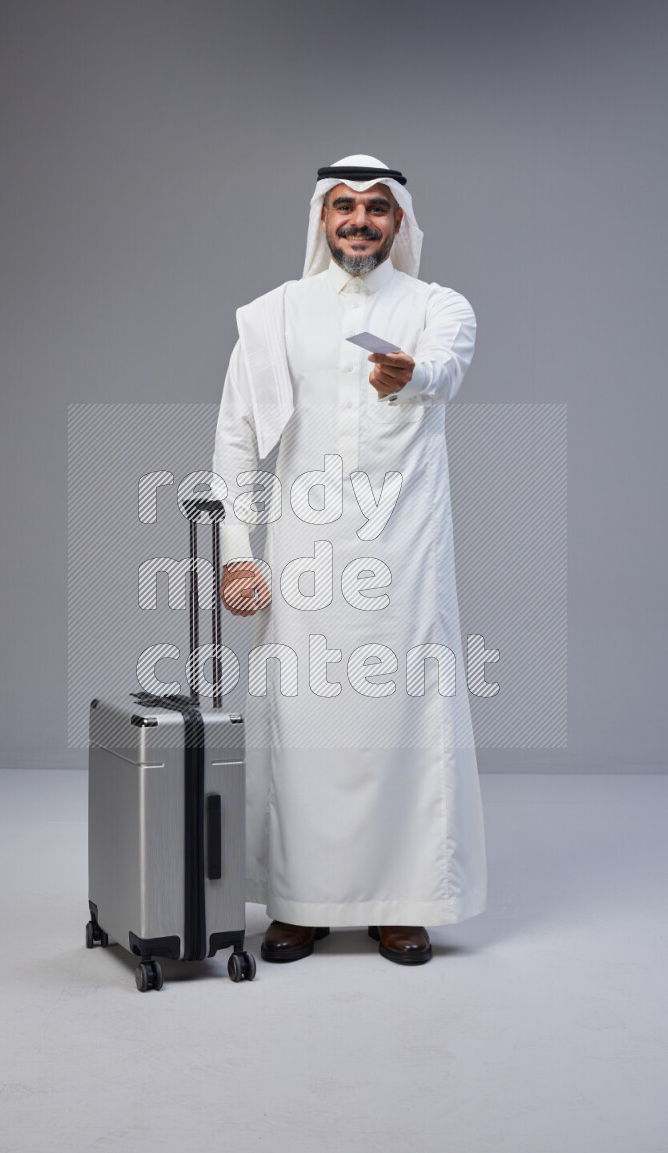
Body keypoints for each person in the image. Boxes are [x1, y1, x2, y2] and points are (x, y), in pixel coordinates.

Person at [211, 154, 486, 965]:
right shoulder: (274, 316)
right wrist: (236, 552)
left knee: (405, 720)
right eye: (343, 206)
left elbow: (447, 370)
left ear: (399, 221)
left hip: (406, 555)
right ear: (321, 219)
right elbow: (235, 439)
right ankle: (300, 902)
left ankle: (404, 903)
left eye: (375, 207)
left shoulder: (439, 306)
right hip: (303, 555)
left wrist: (411, 374)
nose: (359, 220)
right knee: (302, 726)